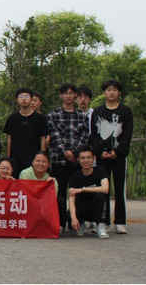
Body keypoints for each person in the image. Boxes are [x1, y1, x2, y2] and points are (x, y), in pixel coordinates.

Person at [91, 79, 133, 234]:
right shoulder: (98, 112)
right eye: (108, 90)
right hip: (102, 156)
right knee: (103, 189)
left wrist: (118, 151)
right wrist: (99, 151)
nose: (111, 92)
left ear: (119, 93)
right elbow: (94, 134)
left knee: (120, 188)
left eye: (115, 90)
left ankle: (120, 221)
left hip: (119, 156)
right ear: (104, 92)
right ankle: (104, 221)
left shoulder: (125, 111)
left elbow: (127, 134)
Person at [47, 83, 90, 231]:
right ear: (61, 95)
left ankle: (76, 222)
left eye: (71, 93)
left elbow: (84, 137)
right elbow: (54, 136)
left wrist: (75, 153)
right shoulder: (53, 115)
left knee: (77, 192)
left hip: (77, 161)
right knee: (59, 192)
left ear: (75, 95)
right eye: (65, 93)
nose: (68, 96)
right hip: (59, 160)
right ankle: (60, 223)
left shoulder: (82, 116)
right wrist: (66, 152)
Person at [68, 145, 110, 238]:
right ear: (78, 159)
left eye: (88, 157)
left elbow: (105, 189)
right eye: (83, 158)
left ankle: (101, 225)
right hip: (83, 208)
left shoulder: (100, 170)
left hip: (96, 207)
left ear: (93, 159)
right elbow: (71, 197)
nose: (86, 160)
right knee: (69, 214)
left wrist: (82, 189)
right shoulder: (74, 177)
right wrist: (73, 218)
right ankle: (81, 223)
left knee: (100, 196)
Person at [4, 88, 49, 175]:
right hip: (16, 159)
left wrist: (42, 158)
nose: (24, 99)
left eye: (27, 96)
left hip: (34, 160)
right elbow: (10, 138)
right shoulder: (12, 118)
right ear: (17, 100)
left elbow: (42, 138)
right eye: (21, 97)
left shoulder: (40, 118)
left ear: (31, 99)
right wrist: (8, 158)